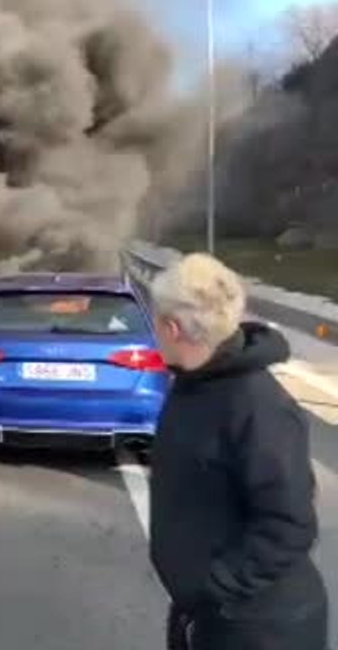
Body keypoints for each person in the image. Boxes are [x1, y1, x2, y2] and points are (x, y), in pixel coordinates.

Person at [148, 253, 327, 650]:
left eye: (155, 321)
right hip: (209, 616)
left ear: (173, 328)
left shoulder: (258, 406)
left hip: (258, 628)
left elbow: (289, 525)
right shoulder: (195, 384)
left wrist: (214, 588)